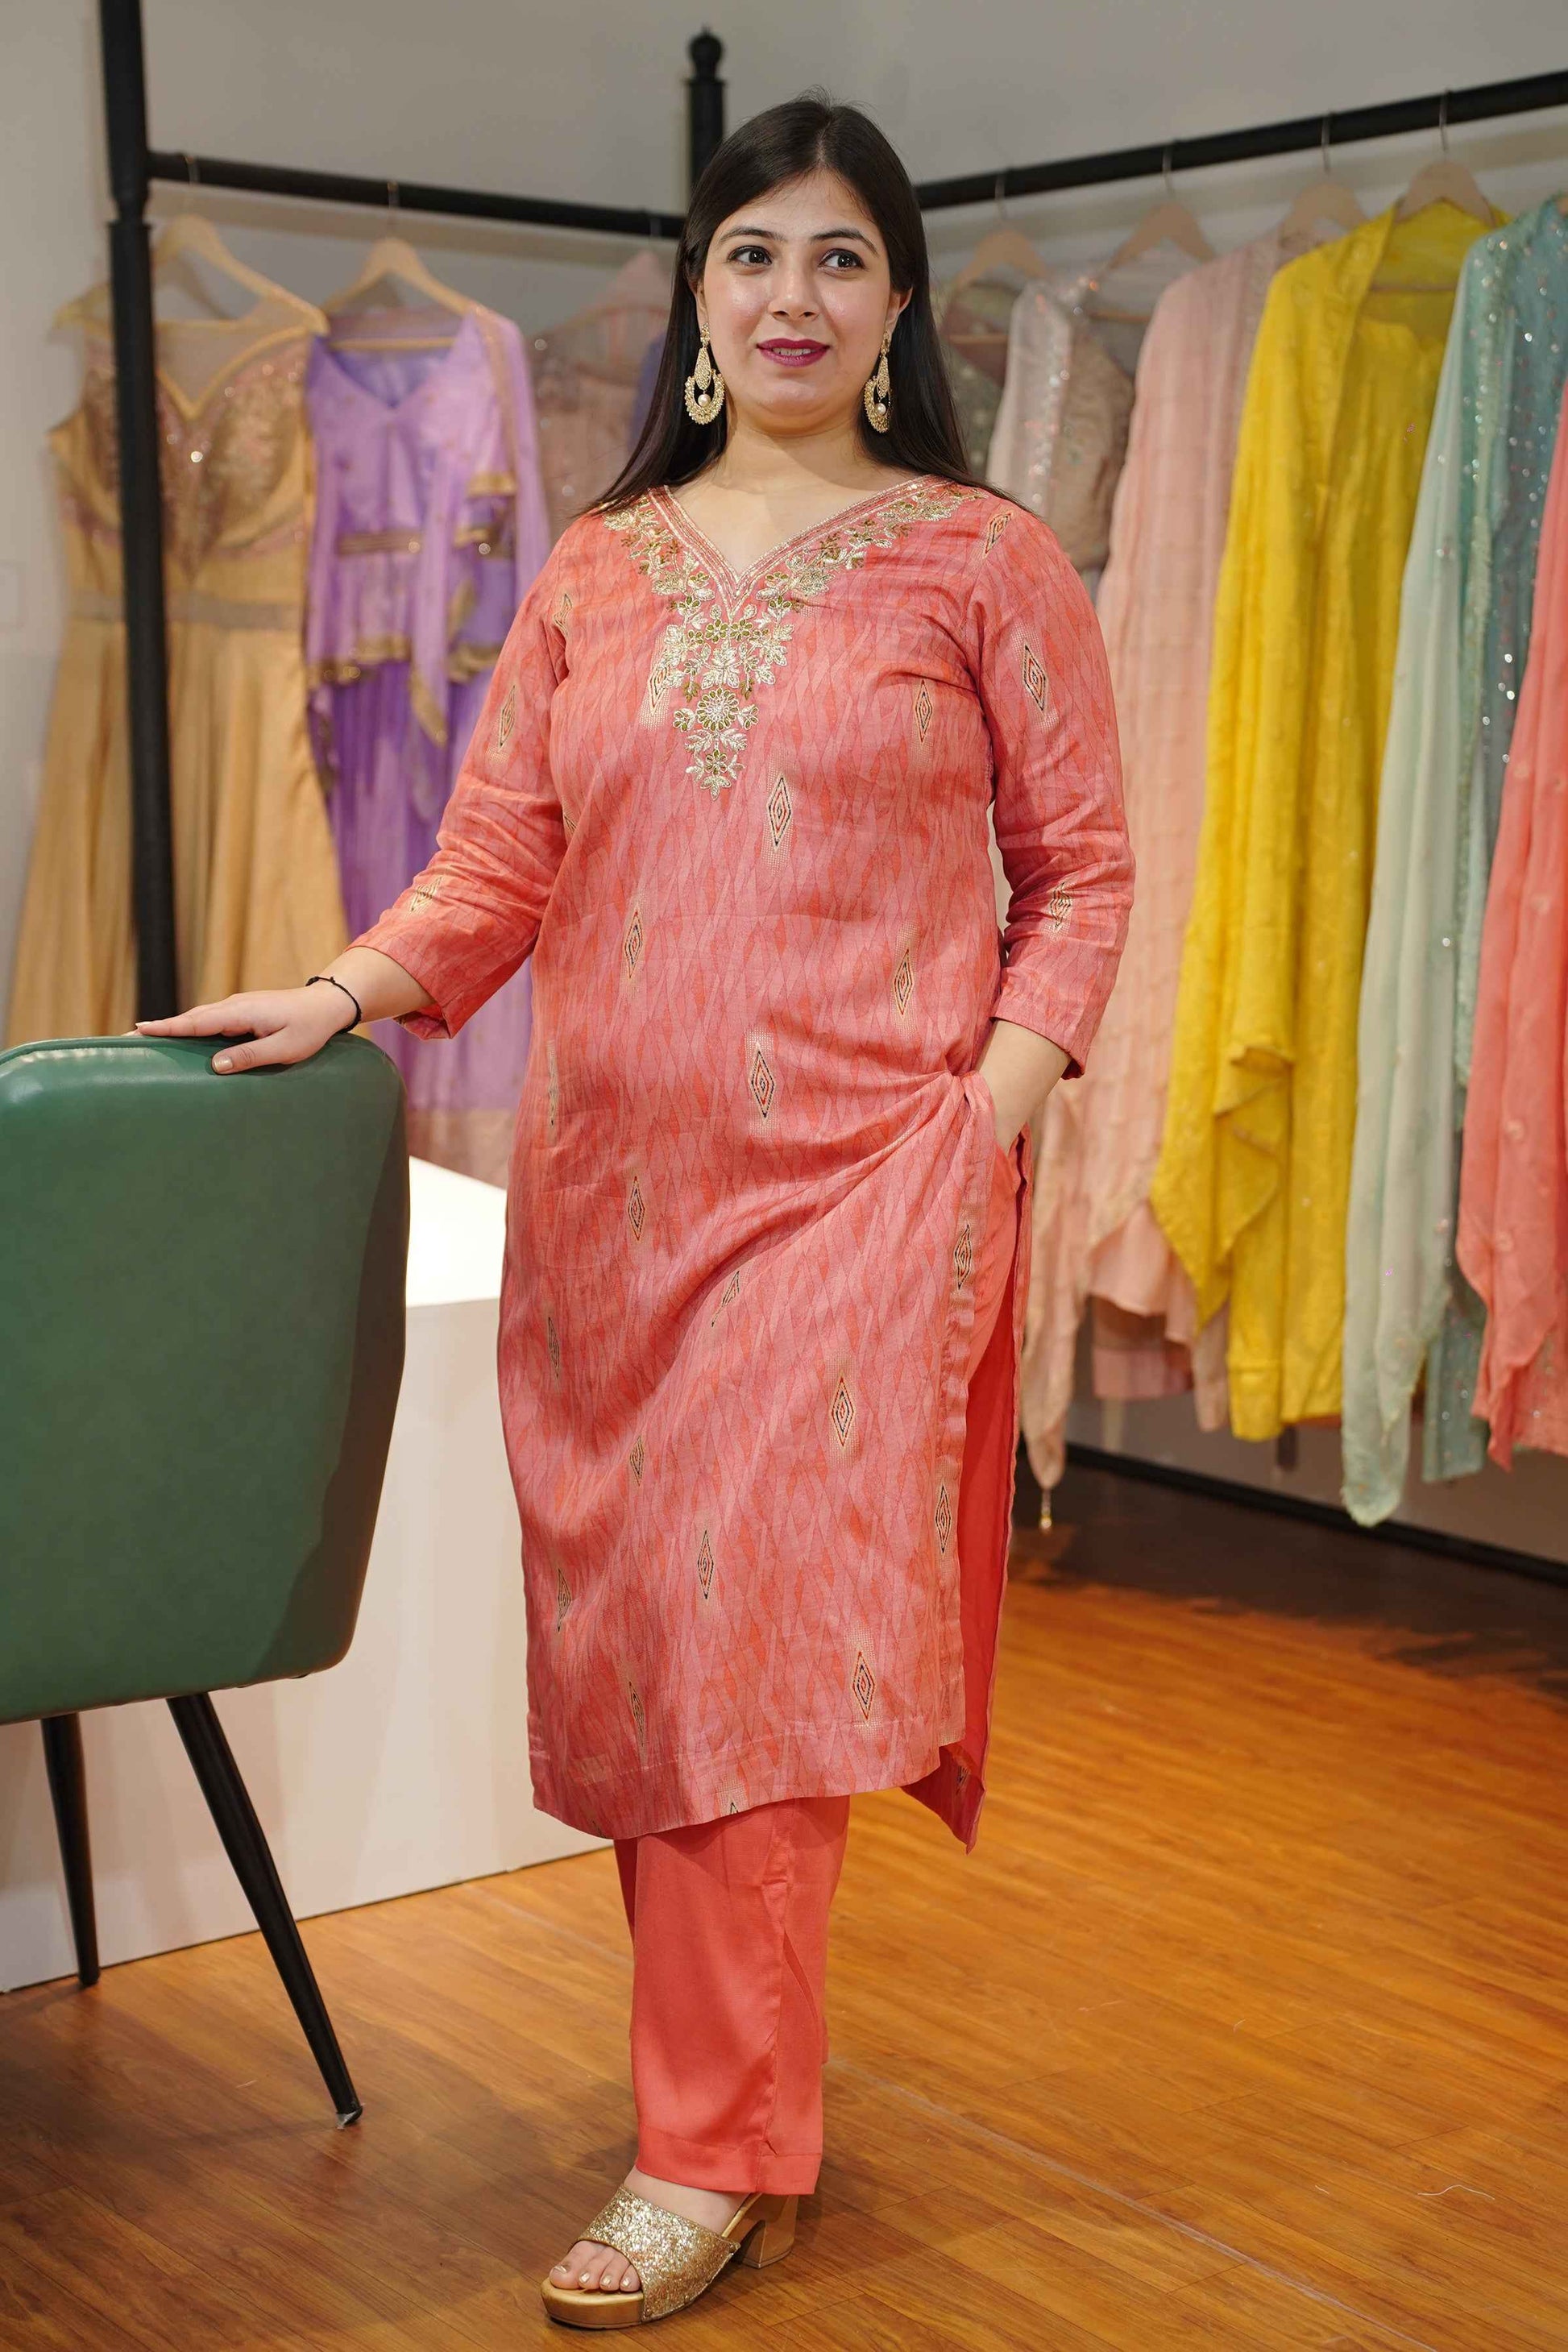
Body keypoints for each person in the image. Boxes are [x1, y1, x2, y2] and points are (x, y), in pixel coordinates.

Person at [139, 94, 1133, 2332]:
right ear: (698, 297)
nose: (794, 296)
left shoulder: (983, 561)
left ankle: (704, 2148)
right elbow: (498, 863)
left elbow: (1080, 876)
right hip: (612, 1206)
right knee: (671, 1663)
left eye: (840, 258)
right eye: (754, 253)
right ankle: (738, 2112)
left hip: (861, 1194)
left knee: (756, 1650)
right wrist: (343, 991)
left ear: (896, 306)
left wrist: (979, 1119)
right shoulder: (599, 567)